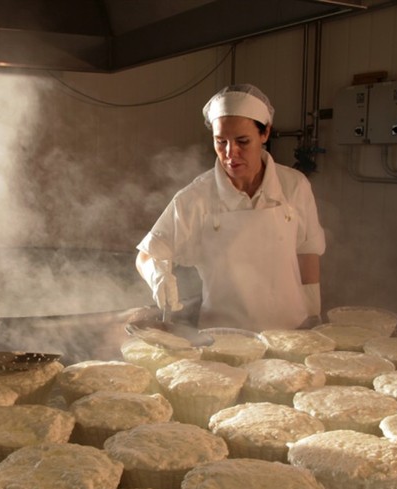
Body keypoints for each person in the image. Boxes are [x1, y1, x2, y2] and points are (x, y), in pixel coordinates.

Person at [136, 83, 325, 332]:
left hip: (290, 333)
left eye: (242, 141)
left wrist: (313, 316)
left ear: (265, 133)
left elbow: (307, 253)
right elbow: (147, 254)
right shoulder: (196, 197)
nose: (230, 153)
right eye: (220, 141)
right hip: (224, 338)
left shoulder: (294, 186)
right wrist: (157, 275)